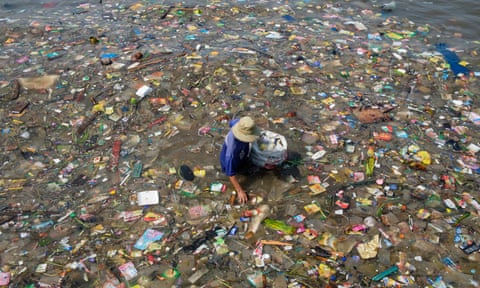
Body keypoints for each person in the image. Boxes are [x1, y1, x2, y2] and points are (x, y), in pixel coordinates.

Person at [220, 116, 259, 204]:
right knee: (232, 169)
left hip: (242, 152)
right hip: (232, 157)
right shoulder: (232, 151)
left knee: (244, 163)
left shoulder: (239, 123)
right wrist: (240, 191)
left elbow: (231, 122)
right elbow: (231, 174)